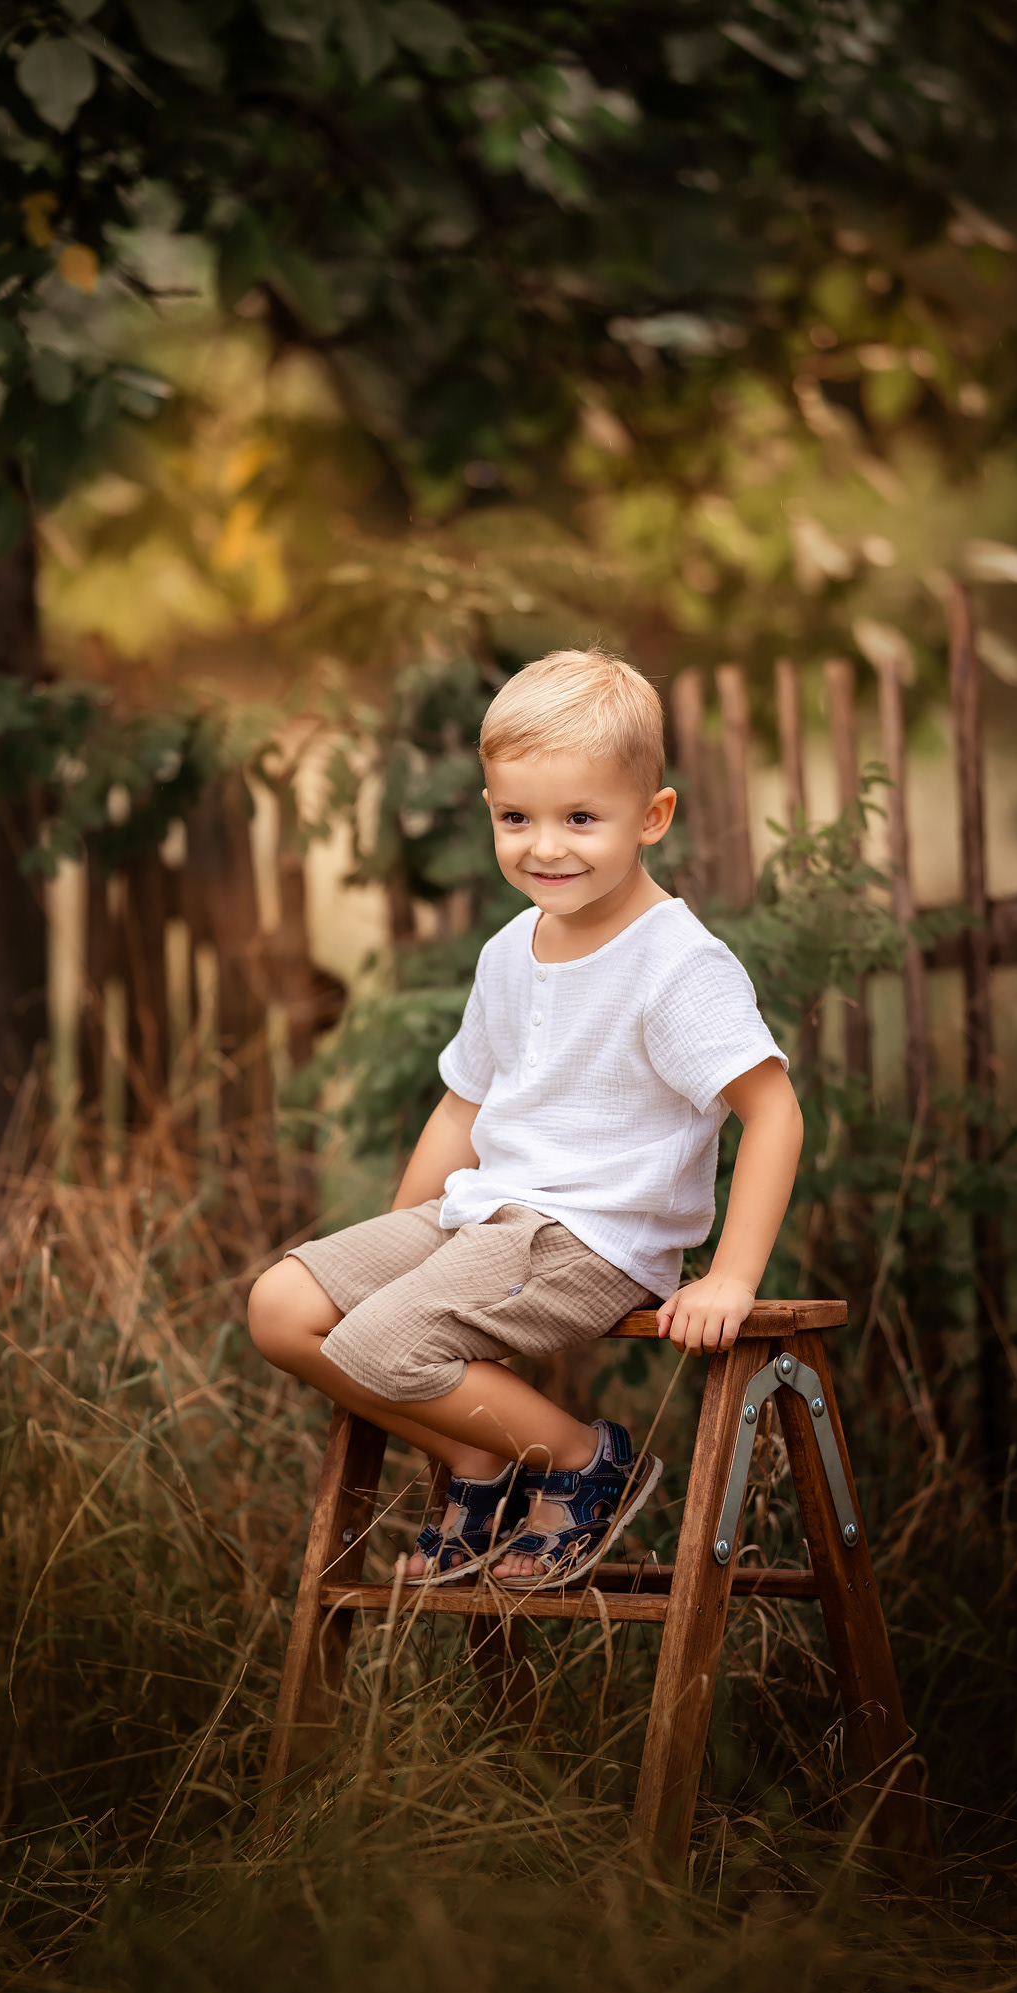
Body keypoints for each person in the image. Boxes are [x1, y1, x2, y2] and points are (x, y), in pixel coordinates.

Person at [248, 648, 803, 1587]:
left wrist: (732, 1279)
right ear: (489, 811)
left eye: (580, 818)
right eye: (516, 818)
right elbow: (462, 1104)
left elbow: (773, 1113)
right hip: (482, 1213)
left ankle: (584, 1462)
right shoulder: (511, 949)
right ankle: (477, 1456)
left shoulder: (675, 964)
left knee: (382, 1341)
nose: (545, 847)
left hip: (587, 1234)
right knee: (281, 1308)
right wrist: (402, 1236)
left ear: (652, 817)